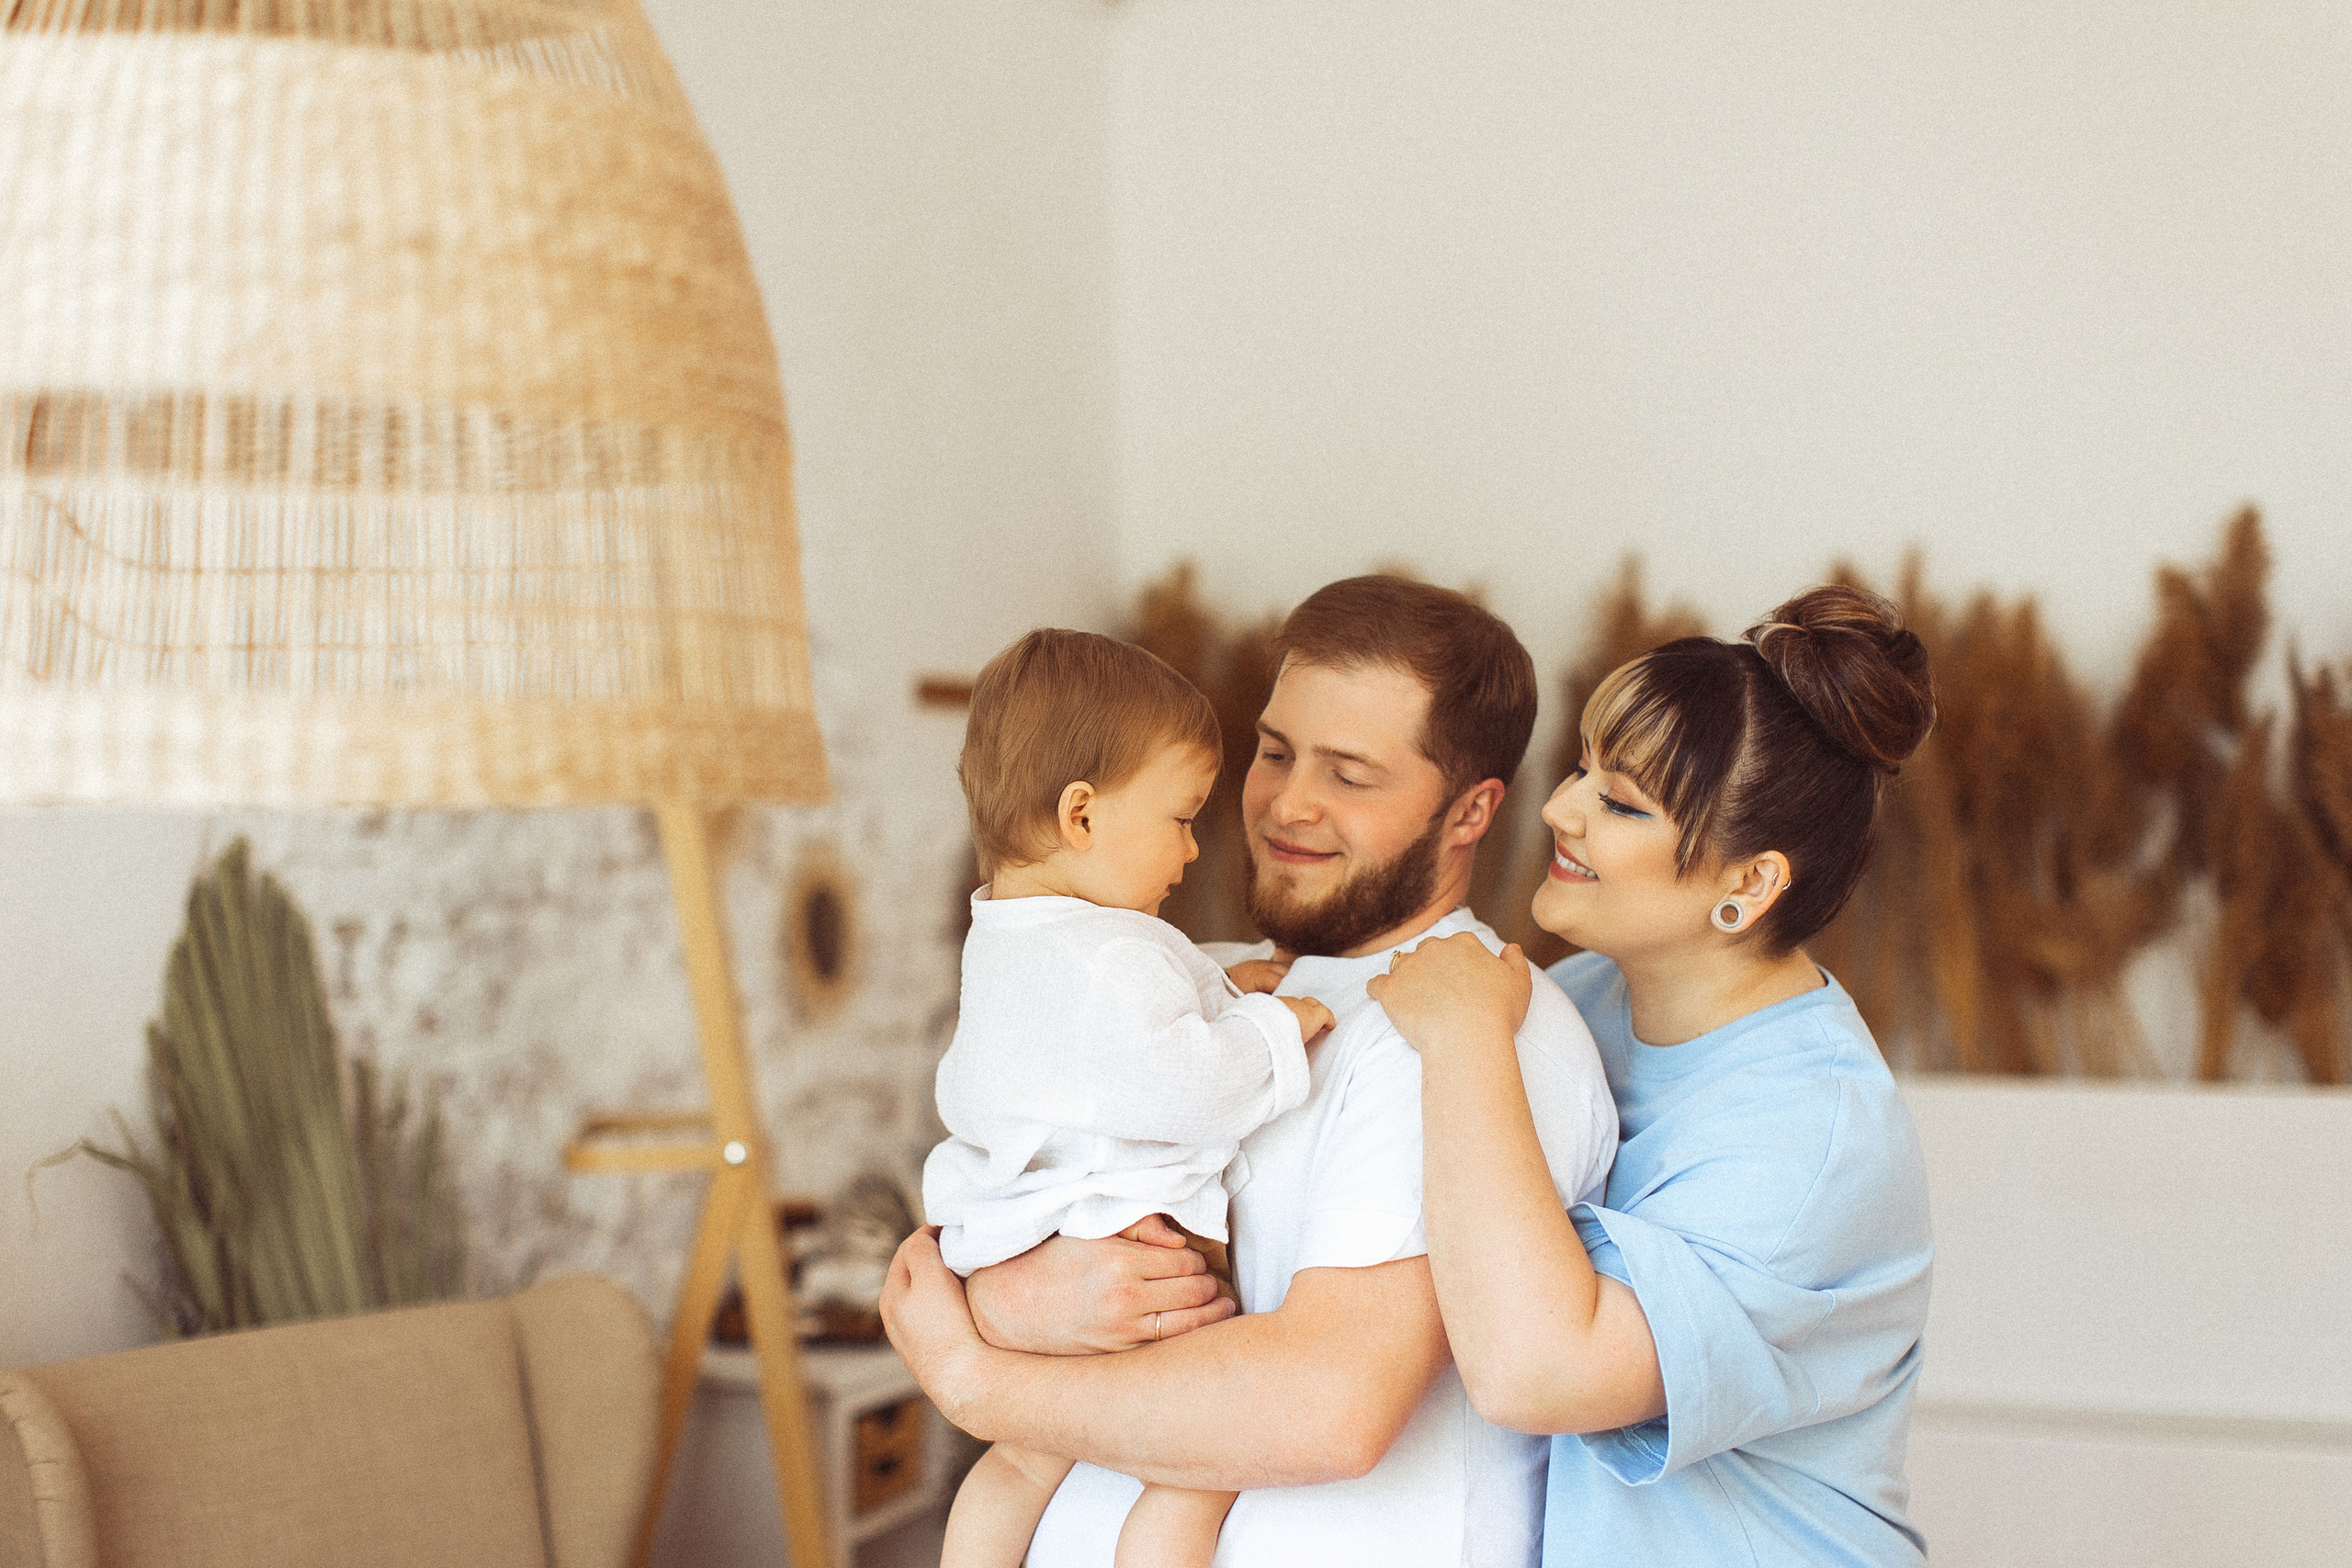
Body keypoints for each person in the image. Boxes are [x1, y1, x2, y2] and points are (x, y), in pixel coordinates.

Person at [885, 577, 1618, 1567]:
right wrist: (1015, 1298)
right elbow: (991, 1205)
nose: (1288, 802)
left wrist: (971, 1377)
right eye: (1276, 751)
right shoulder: (1204, 981)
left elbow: (1328, 1406)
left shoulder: (1471, 1032)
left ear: (1469, 811)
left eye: (1350, 775)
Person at [1366, 585, 1937, 1567]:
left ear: (1748, 884)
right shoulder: (1584, 997)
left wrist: (1464, 1040)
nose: (1558, 809)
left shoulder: (1813, 1138)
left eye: (1619, 802)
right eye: (1582, 767)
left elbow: (1537, 1373)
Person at [925, 628, 1338, 1568]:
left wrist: (1233, 990)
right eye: (1182, 818)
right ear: (1081, 816)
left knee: (1019, 1465)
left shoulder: (1003, 941)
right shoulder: (1113, 952)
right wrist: (1280, 1027)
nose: (1192, 852)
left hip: (1023, 1243)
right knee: (1195, 1465)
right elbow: (1189, 1089)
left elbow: (1102, 1056)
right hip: (1132, 1250)